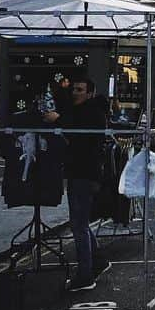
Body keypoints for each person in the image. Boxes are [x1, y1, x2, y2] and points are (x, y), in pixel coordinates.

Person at [43, 72, 109, 291]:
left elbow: (81, 139)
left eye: (80, 90)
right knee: (80, 222)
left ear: (90, 93)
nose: (75, 93)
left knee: (78, 225)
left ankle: (85, 276)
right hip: (81, 172)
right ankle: (98, 261)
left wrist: (59, 121)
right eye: (74, 89)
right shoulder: (86, 111)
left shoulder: (92, 113)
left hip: (85, 173)